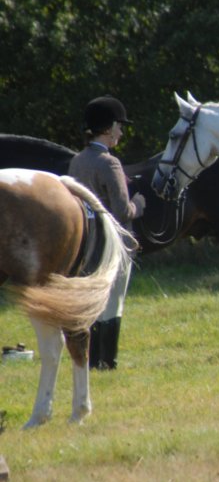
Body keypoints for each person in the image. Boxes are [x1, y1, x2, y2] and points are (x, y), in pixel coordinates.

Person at [68, 95, 145, 369]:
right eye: (119, 127)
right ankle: (108, 360)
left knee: (94, 302)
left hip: (87, 243)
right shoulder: (110, 163)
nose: (121, 132)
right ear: (110, 128)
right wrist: (139, 204)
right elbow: (122, 211)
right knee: (114, 301)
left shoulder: (77, 161)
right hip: (113, 244)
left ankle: (92, 359)